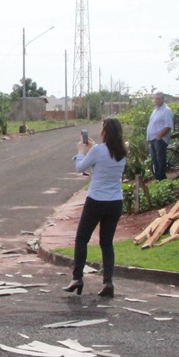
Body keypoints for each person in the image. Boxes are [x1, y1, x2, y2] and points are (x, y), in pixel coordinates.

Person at [64, 117, 128, 298]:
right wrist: (92, 149)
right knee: (106, 243)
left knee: (81, 238)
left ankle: (77, 278)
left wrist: (80, 151)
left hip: (96, 200)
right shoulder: (122, 151)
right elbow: (105, 161)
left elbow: (80, 167)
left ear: (105, 131)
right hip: (115, 201)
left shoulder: (98, 151)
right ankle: (108, 282)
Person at [146, 92, 173, 181]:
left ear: (163, 99)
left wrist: (159, 136)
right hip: (153, 139)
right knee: (154, 159)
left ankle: (161, 178)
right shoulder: (156, 110)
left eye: (158, 98)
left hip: (160, 139)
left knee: (160, 159)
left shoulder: (166, 110)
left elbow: (168, 126)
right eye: (155, 98)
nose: (156, 100)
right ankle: (158, 177)